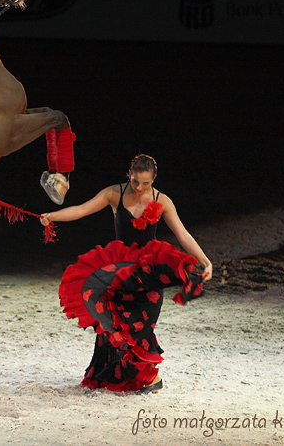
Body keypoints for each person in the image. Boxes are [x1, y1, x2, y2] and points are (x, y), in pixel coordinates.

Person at [40, 154, 212, 393]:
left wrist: (204, 260)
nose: (140, 188)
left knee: (141, 327)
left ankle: (152, 378)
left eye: (146, 183)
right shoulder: (114, 194)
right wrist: (52, 216)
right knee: (112, 324)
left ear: (153, 180)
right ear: (128, 175)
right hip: (120, 273)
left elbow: (182, 234)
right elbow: (81, 210)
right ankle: (117, 379)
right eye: (135, 182)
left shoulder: (163, 201)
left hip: (147, 273)